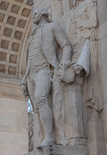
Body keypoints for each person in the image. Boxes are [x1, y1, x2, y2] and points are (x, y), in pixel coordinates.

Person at [21, 8, 72, 147]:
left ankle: (50, 138)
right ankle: (43, 137)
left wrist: (65, 61)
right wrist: (24, 80)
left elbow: (66, 45)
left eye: (36, 14)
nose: (33, 17)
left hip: (45, 70)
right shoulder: (31, 37)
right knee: (37, 107)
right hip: (31, 75)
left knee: (41, 98)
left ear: (43, 14)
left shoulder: (52, 27)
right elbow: (29, 60)